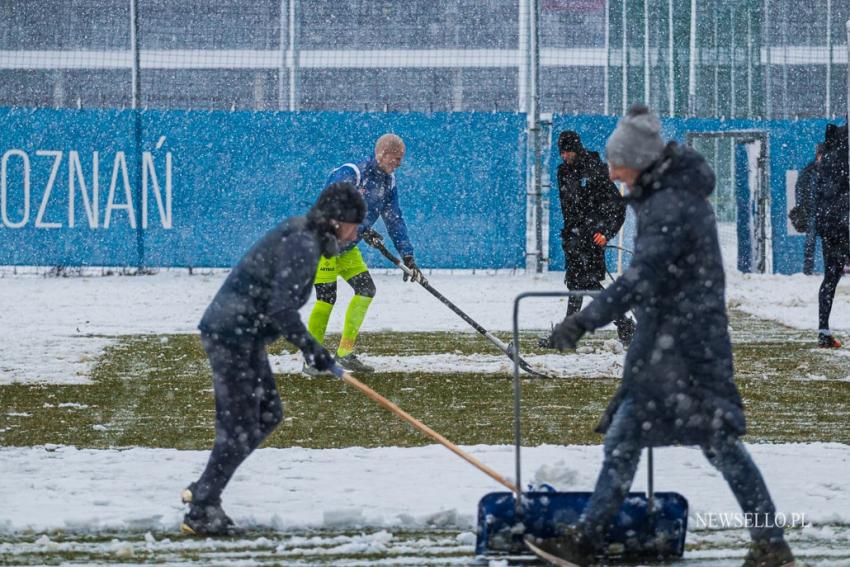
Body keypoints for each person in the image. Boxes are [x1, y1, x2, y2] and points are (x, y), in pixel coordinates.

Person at [529, 105, 795, 567]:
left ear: (639, 161)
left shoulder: (670, 204)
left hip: (686, 348)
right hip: (672, 342)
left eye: (617, 163)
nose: (610, 172)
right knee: (631, 439)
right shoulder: (666, 196)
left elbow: (642, 277)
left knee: (715, 444)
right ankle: (589, 541)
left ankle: (771, 543)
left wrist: (584, 320)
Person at [179, 182, 366, 536]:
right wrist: (314, 351)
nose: (354, 234)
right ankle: (202, 510)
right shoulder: (302, 243)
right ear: (338, 221)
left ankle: (204, 489)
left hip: (241, 335)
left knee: (266, 414)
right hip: (231, 335)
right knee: (240, 424)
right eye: (354, 226)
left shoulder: (303, 234)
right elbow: (280, 307)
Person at [304, 133, 422, 375]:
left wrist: (407, 254)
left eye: (401, 159)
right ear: (382, 153)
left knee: (366, 290)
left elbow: (394, 219)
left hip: (346, 248)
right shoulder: (352, 173)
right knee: (327, 298)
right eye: (396, 158)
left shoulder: (389, 182)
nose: (398, 163)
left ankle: (345, 353)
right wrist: (359, 228)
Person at [554, 129, 634, 346]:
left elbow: (618, 207)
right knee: (575, 283)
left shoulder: (595, 171)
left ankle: (621, 321)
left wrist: (605, 233)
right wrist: (571, 234)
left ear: (577, 150)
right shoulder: (563, 172)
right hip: (572, 237)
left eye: (568, 152)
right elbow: (570, 209)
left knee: (586, 283)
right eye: (562, 152)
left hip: (590, 237)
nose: (565, 156)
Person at [813, 123, 849, 349]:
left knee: (830, 277)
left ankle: (823, 330)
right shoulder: (845, 157)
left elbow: (819, 192)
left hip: (829, 225)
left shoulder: (825, 160)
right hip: (845, 221)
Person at [788, 144, 823, 274]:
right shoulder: (809, 171)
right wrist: (803, 207)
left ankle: (837, 269)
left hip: (824, 210)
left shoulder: (824, 170)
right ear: (818, 155)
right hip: (813, 211)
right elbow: (800, 190)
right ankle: (808, 270)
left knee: (832, 240)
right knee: (810, 241)